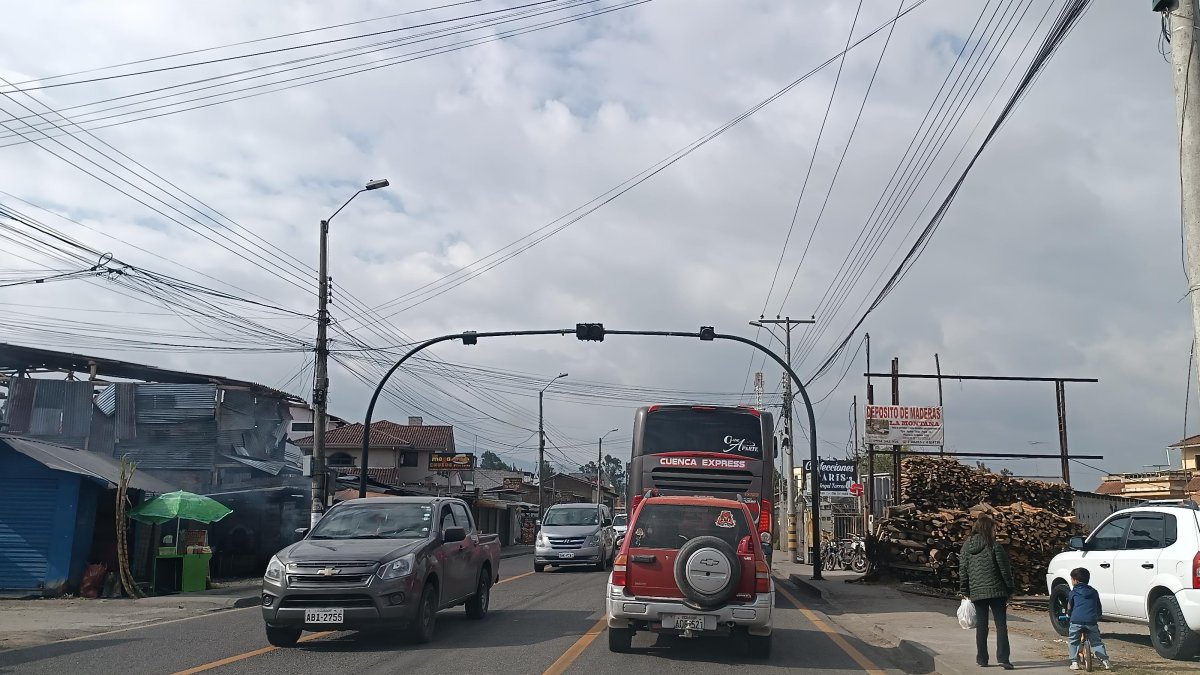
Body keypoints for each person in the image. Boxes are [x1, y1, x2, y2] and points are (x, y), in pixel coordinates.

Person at [958, 512, 1016, 669]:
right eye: (994, 529)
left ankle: (982, 659)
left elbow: (962, 570)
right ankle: (1003, 658)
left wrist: (965, 590)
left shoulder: (966, 547)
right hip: (997, 591)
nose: (995, 532)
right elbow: (1005, 570)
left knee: (982, 626)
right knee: (1001, 625)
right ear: (988, 529)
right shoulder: (994, 546)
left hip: (977, 592)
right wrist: (1010, 589)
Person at [1066, 567, 1112, 671]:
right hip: (1091, 621)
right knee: (1096, 642)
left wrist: (1069, 614)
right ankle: (1105, 661)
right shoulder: (1094, 592)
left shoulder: (1073, 593)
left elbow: (1069, 606)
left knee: (1073, 641)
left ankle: (1074, 662)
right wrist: (1098, 615)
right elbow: (1098, 607)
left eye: (1072, 579)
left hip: (1076, 621)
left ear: (1075, 581)